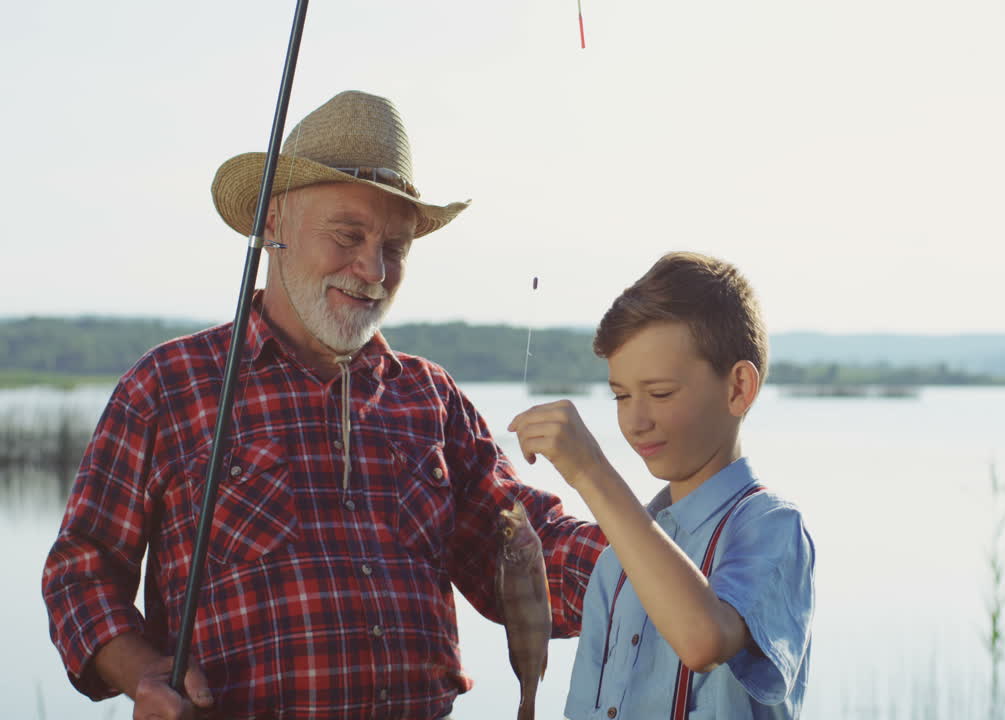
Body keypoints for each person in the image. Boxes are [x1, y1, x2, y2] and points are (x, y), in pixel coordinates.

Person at [42, 90, 606, 720]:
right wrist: (144, 675)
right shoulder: (169, 386)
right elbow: (80, 573)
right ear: (275, 223)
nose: (372, 268)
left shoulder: (431, 397)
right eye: (348, 234)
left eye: (396, 247)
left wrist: (672, 560)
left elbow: (530, 549)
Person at [509, 251, 816, 719]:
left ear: (738, 389)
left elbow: (704, 640)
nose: (636, 421)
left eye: (660, 393)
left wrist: (591, 471)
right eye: (621, 396)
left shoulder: (770, 527)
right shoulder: (615, 565)